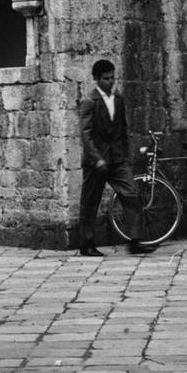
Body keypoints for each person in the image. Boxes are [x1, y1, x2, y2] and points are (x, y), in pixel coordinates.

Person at [76, 58, 153, 257]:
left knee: (131, 193)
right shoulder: (89, 102)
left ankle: (135, 240)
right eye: (106, 79)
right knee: (90, 202)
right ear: (96, 79)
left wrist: (124, 155)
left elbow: (122, 129)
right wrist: (96, 158)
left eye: (112, 78)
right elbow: (86, 134)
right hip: (97, 162)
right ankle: (87, 243)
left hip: (117, 159)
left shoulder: (118, 99)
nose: (110, 82)